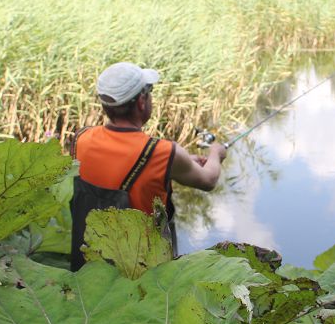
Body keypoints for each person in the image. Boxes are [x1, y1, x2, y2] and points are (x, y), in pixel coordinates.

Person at [69, 62, 226, 269]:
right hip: (140, 269)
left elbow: (114, 168)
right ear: (142, 102)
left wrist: (184, 161)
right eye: (149, 92)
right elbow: (208, 180)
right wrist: (216, 152)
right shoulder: (162, 152)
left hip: (89, 259)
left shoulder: (81, 138)